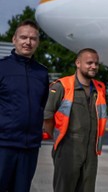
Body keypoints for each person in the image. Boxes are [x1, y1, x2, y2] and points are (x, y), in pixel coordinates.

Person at [43, 48, 107, 192]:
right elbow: (47, 115)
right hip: (67, 147)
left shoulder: (100, 89)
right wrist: (56, 136)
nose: (94, 66)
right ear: (78, 63)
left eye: (96, 63)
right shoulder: (62, 86)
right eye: (89, 63)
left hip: (91, 150)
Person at [0, 20, 49, 192]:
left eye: (33, 38)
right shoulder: (2, 68)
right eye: (23, 37)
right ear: (14, 39)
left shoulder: (42, 73)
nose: (28, 42)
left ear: (37, 43)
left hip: (30, 147)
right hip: (3, 145)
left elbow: (41, 104)